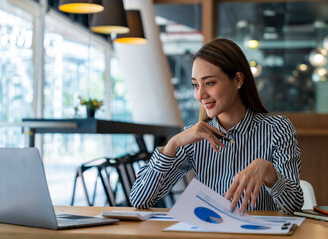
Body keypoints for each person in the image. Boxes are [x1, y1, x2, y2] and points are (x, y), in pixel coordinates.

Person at [130, 38, 303, 215]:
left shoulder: (278, 129)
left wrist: (269, 172)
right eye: (195, 85)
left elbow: (293, 206)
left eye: (209, 83)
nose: (200, 94)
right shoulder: (194, 137)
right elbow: (139, 199)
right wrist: (172, 144)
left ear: (237, 80)